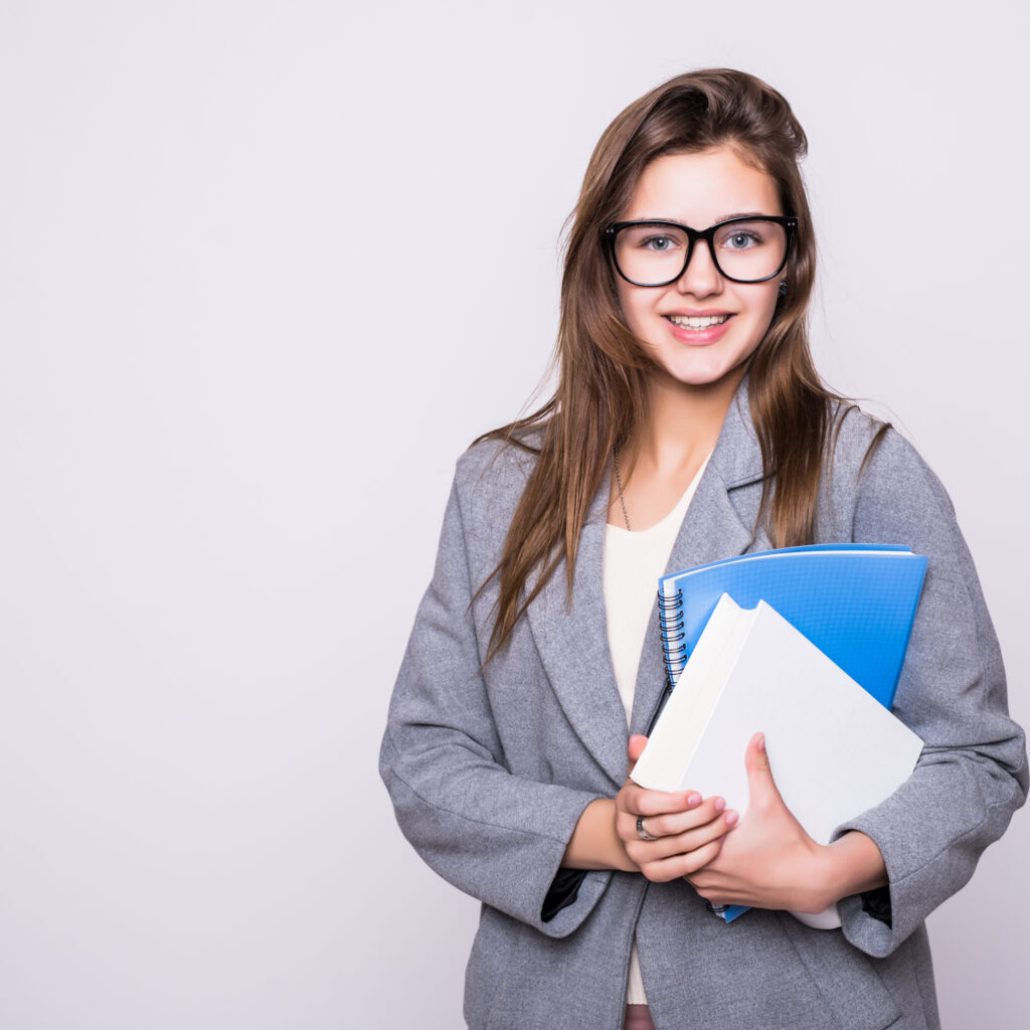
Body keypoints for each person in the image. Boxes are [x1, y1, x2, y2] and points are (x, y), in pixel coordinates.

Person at [379, 68, 1027, 1030]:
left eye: (742, 239)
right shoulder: (496, 484)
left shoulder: (862, 468)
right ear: (607, 261)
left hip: (795, 1004)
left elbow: (975, 758)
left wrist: (823, 868)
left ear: (789, 261)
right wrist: (606, 833)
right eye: (657, 241)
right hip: (547, 1001)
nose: (700, 277)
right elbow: (426, 758)